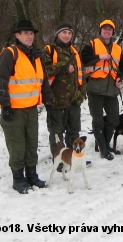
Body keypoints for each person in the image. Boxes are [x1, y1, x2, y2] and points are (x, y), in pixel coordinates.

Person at [0, 19, 54, 194]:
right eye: (25, 33)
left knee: (31, 144)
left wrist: (49, 103)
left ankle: (32, 176)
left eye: (31, 33)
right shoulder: (10, 54)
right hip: (14, 110)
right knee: (17, 145)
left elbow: (43, 83)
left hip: (31, 109)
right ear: (17, 35)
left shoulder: (36, 55)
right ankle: (18, 179)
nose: (29, 36)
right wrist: (5, 104)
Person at [81, 19, 123, 160]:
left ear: (113, 32)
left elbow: (122, 68)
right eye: (104, 29)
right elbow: (84, 59)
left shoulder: (118, 49)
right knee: (98, 121)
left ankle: (105, 146)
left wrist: (120, 78)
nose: (107, 31)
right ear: (100, 31)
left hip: (111, 90)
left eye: (110, 29)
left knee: (113, 119)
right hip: (95, 89)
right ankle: (103, 150)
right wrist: (99, 57)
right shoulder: (91, 45)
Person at [44, 22, 85, 165]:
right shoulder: (49, 50)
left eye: (69, 33)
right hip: (56, 101)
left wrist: (81, 94)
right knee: (57, 135)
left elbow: (81, 74)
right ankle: (59, 161)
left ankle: (73, 160)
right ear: (57, 34)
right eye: (64, 33)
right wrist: (64, 66)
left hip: (74, 101)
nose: (67, 35)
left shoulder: (74, 52)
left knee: (74, 133)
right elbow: (43, 72)